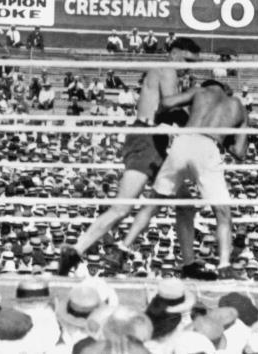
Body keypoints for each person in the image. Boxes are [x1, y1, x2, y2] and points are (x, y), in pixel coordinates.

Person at [59, 38, 202, 277]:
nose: (190, 67)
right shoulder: (167, 70)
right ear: (174, 53)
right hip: (147, 140)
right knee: (122, 207)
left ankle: (189, 264)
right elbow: (170, 107)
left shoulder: (167, 72)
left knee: (185, 204)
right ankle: (75, 250)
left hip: (156, 141)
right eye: (187, 61)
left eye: (194, 64)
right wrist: (201, 107)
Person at [122, 80, 249, 278]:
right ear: (226, 89)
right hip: (208, 147)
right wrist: (227, 135)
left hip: (182, 142)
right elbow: (240, 152)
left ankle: (122, 248)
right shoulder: (238, 106)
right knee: (222, 212)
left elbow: (166, 103)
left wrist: (185, 117)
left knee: (154, 203)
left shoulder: (200, 92)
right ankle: (224, 265)